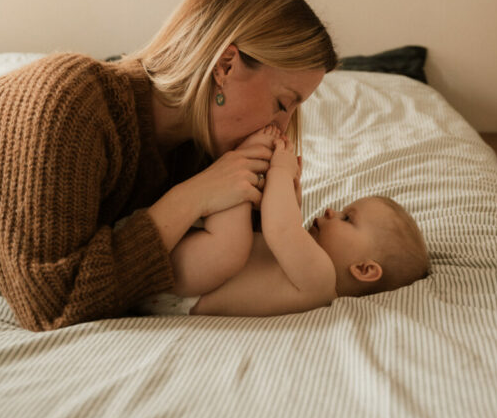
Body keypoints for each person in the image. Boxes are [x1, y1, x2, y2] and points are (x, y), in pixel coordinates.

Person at [0, 0, 337, 331]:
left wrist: (276, 201)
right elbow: (53, 303)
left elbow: (238, 266)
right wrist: (191, 197)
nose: (281, 126)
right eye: (283, 103)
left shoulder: (198, 150)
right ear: (225, 65)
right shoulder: (68, 102)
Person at [140, 128, 429, 318]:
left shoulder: (322, 281)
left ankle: (238, 157)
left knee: (231, 235)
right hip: (185, 270)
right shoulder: (309, 268)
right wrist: (290, 190)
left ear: (364, 269)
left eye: (347, 218)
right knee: (233, 223)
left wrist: (280, 168)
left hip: (187, 291)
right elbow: (284, 226)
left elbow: (280, 228)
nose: (331, 211)